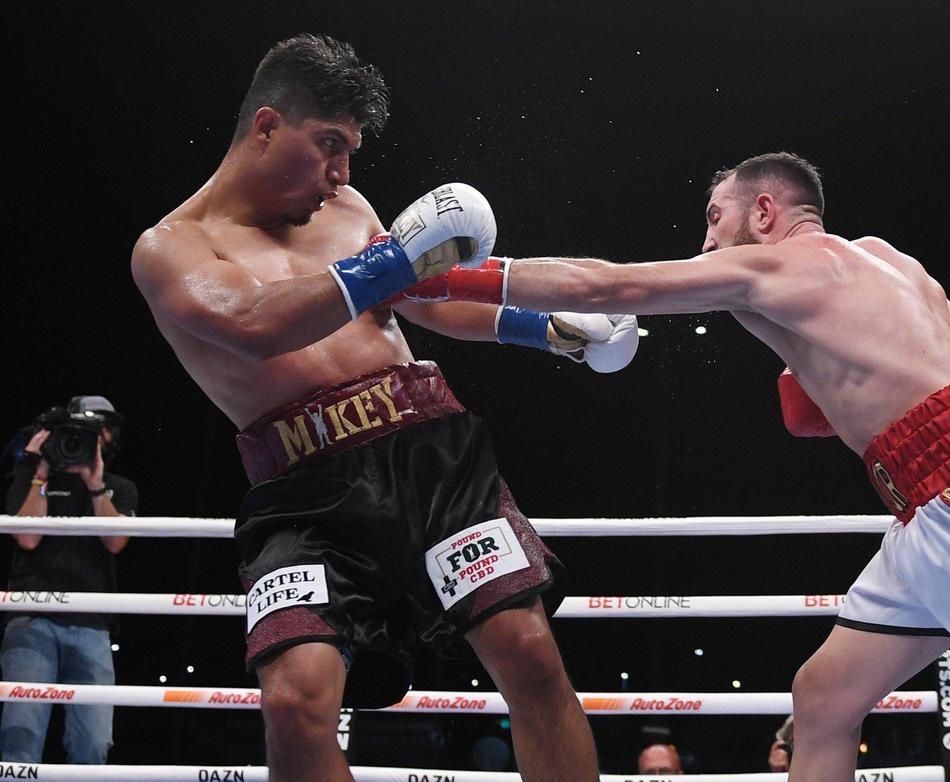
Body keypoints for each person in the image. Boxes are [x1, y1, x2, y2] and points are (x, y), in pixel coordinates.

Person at [427, 151, 950, 781]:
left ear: (764, 211)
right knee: (824, 697)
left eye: (716, 216)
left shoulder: (772, 265)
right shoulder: (892, 261)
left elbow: (605, 288)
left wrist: (441, 276)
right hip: (933, 500)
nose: (706, 239)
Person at [131, 34, 633, 782]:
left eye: (350, 151)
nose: (340, 173)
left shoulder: (347, 206)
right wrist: (391, 257)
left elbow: (424, 295)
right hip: (302, 491)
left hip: (429, 455)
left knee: (528, 656)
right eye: (328, 143)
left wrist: (546, 329)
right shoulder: (170, 249)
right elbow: (253, 324)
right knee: (296, 704)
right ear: (266, 127)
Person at [1, 395, 136, 763]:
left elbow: (115, 542)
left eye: (101, 430)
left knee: (94, 742)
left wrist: (94, 484)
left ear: (109, 438)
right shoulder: (31, 477)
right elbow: (28, 537)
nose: (94, 438)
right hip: (31, 617)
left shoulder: (118, 488)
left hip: (92, 623)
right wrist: (40, 470)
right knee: (20, 735)